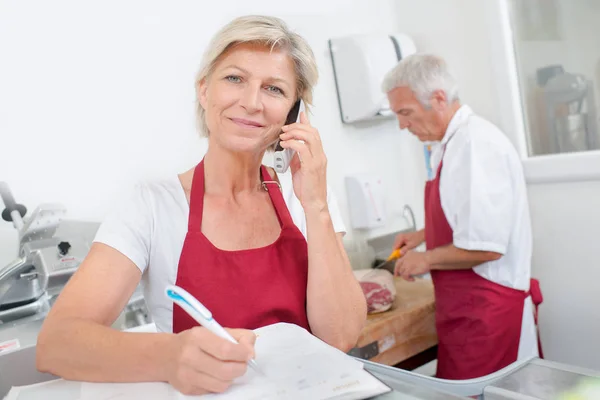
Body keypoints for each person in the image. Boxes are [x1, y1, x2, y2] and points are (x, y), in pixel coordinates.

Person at [36, 15, 367, 396]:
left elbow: (340, 336)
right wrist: (168, 355)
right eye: (234, 79)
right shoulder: (151, 205)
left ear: (293, 113)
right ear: (204, 89)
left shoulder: (305, 196)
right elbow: (56, 344)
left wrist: (317, 206)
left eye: (274, 89)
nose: (251, 102)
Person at [381, 54, 543, 380]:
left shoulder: (474, 145)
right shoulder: (451, 142)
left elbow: (488, 247)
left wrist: (424, 260)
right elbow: (467, 213)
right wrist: (423, 235)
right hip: (468, 311)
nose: (401, 125)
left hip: (488, 314)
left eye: (405, 113)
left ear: (438, 98)